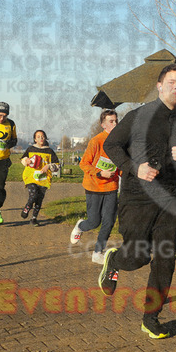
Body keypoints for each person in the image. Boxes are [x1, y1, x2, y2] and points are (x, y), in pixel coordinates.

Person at [101, 63, 176, 339]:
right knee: (138, 256)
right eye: (172, 82)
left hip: (169, 198)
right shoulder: (138, 116)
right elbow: (111, 145)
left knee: (166, 258)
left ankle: (151, 318)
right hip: (137, 196)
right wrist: (134, 167)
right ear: (160, 86)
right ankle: (114, 259)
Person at [70, 109, 120, 264]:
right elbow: (84, 164)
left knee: (109, 221)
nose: (115, 124)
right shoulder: (96, 141)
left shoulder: (120, 142)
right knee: (94, 222)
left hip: (111, 187)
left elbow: (121, 164)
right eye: (111, 121)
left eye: (116, 120)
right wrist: (100, 173)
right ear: (103, 124)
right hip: (94, 187)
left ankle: (98, 253)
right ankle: (80, 226)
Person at [20, 130, 60, 226]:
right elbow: (23, 159)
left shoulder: (50, 151)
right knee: (33, 195)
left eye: (42, 136)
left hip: (44, 178)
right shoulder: (30, 149)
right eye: (38, 137)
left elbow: (57, 165)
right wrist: (26, 160)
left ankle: (34, 218)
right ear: (35, 139)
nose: (41, 138)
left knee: (39, 199)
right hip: (31, 177)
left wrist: (48, 166)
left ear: (45, 138)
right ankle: (27, 207)